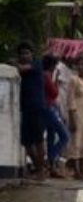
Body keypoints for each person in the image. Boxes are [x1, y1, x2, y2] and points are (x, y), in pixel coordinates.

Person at [11, 42, 48, 180]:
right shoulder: (19, 68)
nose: (24, 56)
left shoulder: (37, 64)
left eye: (27, 53)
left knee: (38, 140)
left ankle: (41, 171)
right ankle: (39, 168)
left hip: (37, 106)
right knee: (26, 141)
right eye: (22, 53)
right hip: (25, 108)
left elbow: (22, 68)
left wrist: (14, 63)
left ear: (32, 54)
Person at [41, 55, 71, 177]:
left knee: (51, 136)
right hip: (50, 108)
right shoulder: (47, 75)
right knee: (65, 136)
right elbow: (54, 93)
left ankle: (52, 166)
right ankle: (50, 159)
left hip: (49, 107)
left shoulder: (44, 75)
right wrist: (57, 84)